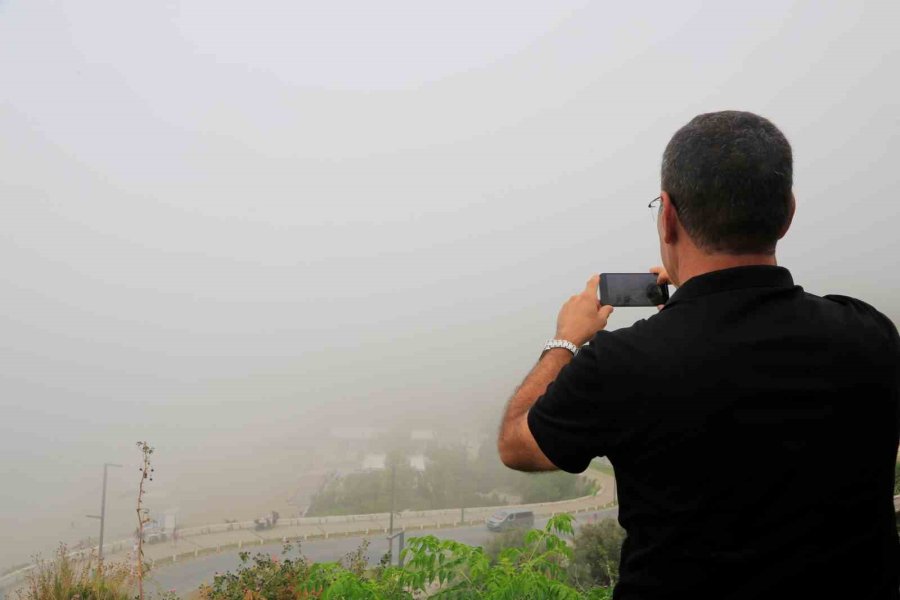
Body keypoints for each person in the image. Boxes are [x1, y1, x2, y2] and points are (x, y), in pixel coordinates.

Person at [497, 111, 900, 599]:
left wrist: (565, 339)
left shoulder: (622, 364)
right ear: (788, 213)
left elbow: (518, 444)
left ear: (667, 216)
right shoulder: (870, 335)